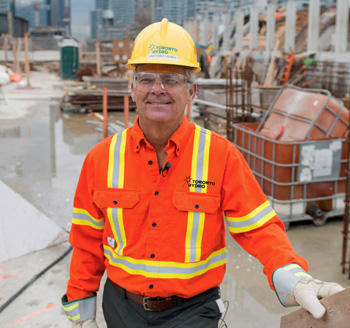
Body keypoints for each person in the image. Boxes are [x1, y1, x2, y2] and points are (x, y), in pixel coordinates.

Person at [61, 18, 344, 328]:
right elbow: (87, 240)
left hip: (193, 312)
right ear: (133, 89)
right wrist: (80, 308)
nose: (158, 89)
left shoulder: (219, 155)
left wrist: (291, 274)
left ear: (191, 91)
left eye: (171, 79)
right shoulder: (101, 158)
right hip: (121, 308)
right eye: (146, 79)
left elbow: (259, 227)